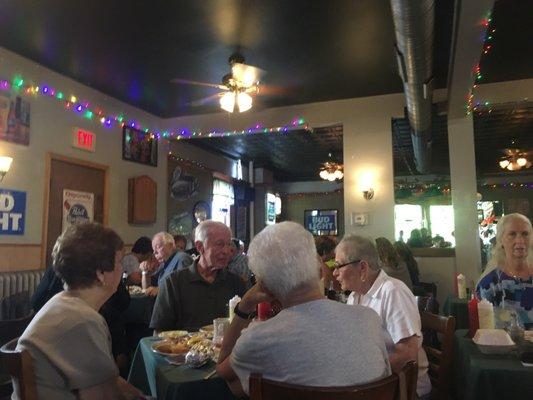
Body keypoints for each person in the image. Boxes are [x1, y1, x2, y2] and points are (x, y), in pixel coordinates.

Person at [216, 222, 390, 397]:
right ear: (321, 269)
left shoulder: (256, 339)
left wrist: (245, 305)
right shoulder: (370, 319)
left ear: (264, 286)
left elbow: (223, 371)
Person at [15, 223, 146, 400]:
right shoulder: (82, 321)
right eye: (119, 261)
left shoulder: (62, 302)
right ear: (101, 273)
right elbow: (104, 396)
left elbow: (108, 381)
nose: (122, 268)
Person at [334, 235, 431, 398]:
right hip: (376, 384)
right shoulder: (354, 296)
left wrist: (361, 376)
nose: (335, 273)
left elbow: (407, 354)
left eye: (338, 266)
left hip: (403, 388)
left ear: (362, 268)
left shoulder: (393, 292)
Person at [150, 221, 246, 332]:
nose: (226, 251)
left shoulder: (236, 283)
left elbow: (247, 325)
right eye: (220, 244)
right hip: (185, 348)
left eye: (228, 244)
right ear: (200, 247)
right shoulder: (173, 283)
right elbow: (159, 332)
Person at [476, 213, 533, 329]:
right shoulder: (490, 284)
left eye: (525, 234)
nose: (520, 240)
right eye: (512, 234)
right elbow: (487, 331)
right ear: (501, 240)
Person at [140, 232, 193, 296]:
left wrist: (159, 290)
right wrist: (145, 272)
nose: (154, 252)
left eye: (157, 247)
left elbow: (184, 288)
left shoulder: (182, 259)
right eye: (153, 249)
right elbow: (146, 288)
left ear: (170, 245)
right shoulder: (164, 263)